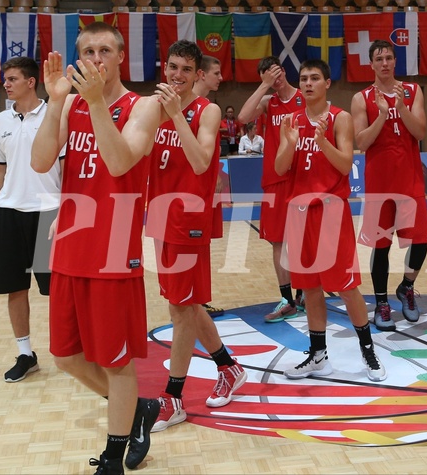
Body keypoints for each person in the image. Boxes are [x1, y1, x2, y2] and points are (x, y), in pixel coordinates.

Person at [31, 22, 163, 474]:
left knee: (115, 359)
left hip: (114, 247)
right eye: (87, 51)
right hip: (70, 241)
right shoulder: (69, 104)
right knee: (65, 356)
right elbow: (40, 160)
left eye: (104, 49)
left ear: (121, 56)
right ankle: (137, 408)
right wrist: (53, 103)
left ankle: (113, 453)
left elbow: (121, 159)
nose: (95, 58)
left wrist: (94, 105)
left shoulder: (143, 106)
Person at [146, 40, 247, 433]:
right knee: (185, 302)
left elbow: (202, 161)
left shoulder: (208, 111)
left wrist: (175, 115)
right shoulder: (153, 107)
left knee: (180, 308)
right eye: (172, 67)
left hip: (187, 218)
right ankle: (229, 366)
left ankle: (174, 398)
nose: (177, 75)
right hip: (159, 215)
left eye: (186, 70)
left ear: (196, 75)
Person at [274, 59, 386, 382]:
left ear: (326, 84)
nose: (308, 83)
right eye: (304, 78)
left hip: (331, 211)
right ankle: (318, 354)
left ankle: (368, 352)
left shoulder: (341, 118)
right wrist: (292, 144)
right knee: (309, 288)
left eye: (314, 78)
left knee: (346, 287)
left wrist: (322, 142)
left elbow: (344, 164)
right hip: (299, 212)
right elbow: (281, 168)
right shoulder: (290, 121)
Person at [0, 57, 62, 383]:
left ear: (31, 82)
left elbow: (68, 169)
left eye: (12, 78)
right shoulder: (1, 120)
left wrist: (67, 210)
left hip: (48, 213)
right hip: (11, 213)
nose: (6, 83)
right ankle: (25, 354)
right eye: (6, 79)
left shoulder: (55, 116)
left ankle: (74, 352)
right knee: (15, 288)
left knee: (58, 290)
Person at [351, 39, 427, 331]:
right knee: (381, 246)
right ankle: (381, 302)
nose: (384, 63)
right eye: (379, 58)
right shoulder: (362, 98)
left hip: (409, 180)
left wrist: (400, 107)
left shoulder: (412, 91)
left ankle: (407, 287)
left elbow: (420, 131)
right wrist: (383, 114)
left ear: (395, 61)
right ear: (371, 64)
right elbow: (361, 142)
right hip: (379, 184)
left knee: (421, 240)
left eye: (388, 58)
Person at [238, 56, 306, 322]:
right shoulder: (269, 103)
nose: (273, 77)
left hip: (301, 178)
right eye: (266, 74)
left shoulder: (304, 97)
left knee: (303, 240)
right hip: (276, 180)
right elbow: (243, 117)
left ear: (284, 70)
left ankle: (303, 293)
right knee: (278, 240)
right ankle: (287, 298)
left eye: (275, 71)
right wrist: (263, 86)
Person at [193, 54, 226, 318]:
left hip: (207, 187)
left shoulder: (208, 107)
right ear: (202, 74)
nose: (221, 77)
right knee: (194, 249)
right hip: (191, 192)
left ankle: (197, 302)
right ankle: (192, 303)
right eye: (216, 73)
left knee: (202, 249)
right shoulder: (191, 107)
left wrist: (218, 181)